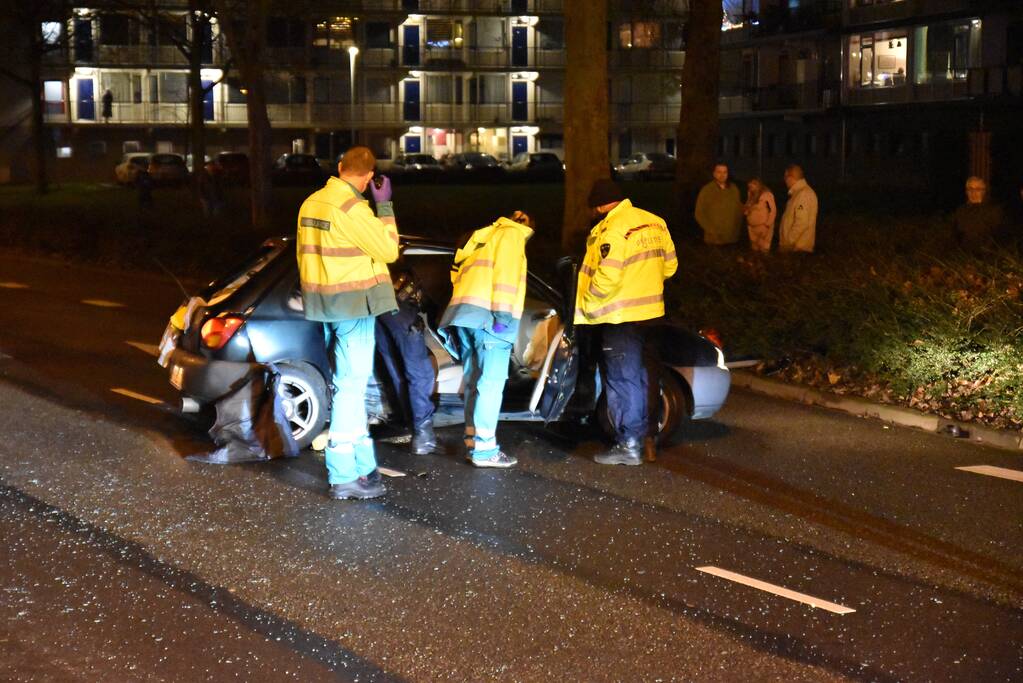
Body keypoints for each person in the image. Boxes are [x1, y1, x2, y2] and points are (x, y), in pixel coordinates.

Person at [296, 146, 399, 500]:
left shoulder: (311, 203)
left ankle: (362, 466)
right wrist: (384, 206)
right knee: (352, 389)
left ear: (340, 167)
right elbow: (388, 251)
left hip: (325, 304)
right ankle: (343, 475)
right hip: (354, 306)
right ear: (370, 177)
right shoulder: (353, 208)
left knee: (347, 384)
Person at [576, 179, 677, 465]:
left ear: (598, 205)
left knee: (623, 378)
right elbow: (670, 266)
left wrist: (589, 302)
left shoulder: (612, 228)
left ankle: (628, 444)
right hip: (653, 314)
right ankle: (646, 436)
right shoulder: (655, 222)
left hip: (621, 317)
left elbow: (608, 274)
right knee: (646, 378)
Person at [439, 210, 534, 468]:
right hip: (490, 320)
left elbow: (455, 274)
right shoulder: (512, 235)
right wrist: (503, 316)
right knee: (491, 384)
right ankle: (485, 450)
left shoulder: (480, 238)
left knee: (474, 382)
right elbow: (506, 276)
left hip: (464, 316)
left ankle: (473, 442)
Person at [375, 264, 441, 455]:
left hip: (376, 308)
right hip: (397, 306)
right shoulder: (402, 258)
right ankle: (424, 437)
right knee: (420, 373)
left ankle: (410, 423)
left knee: (396, 369)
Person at [694, 163, 744, 246]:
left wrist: (737, 230)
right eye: (719, 172)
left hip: (732, 238)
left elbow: (738, 211)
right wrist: (711, 230)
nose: (722, 175)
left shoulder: (734, 189)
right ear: (714, 174)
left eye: (725, 172)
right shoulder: (707, 190)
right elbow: (699, 213)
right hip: (713, 239)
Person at [952, 176, 1006, 250]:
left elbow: (999, 235)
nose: (973, 193)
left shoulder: (994, 210)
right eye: (970, 189)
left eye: (978, 189)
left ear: (984, 191)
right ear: (966, 192)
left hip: (986, 256)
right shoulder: (961, 211)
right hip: (963, 256)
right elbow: (955, 234)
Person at [778, 164, 818, 253]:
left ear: (791, 177)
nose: (784, 180)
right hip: (795, 248)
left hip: (797, 249)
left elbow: (802, 222)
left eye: (785, 177)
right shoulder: (798, 193)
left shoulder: (803, 194)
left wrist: (788, 242)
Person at [743, 178, 776, 253]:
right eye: (750, 184)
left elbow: (773, 210)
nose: (751, 186)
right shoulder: (750, 195)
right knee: (754, 251)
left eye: (753, 184)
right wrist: (746, 210)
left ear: (758, 185)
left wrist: (767, 225)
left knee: (763, 250)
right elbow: (746, 210)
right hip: (752, 228)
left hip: (763, 228)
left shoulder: (766, 195)